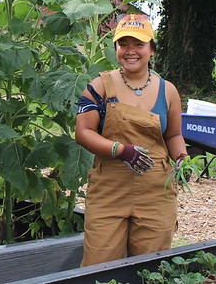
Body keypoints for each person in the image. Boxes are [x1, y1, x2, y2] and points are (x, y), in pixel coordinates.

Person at [75, 13, 188, 266]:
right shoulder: (100, 86)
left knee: (151, 266)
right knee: (99, 266)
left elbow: (174, 135)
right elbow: (83, 132)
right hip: (109, 190)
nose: (130, 51)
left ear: (152, 49)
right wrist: (120, 150)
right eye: (123, 44)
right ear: (115, 48)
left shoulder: (167, 90)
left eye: (138, 44)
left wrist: (182, 157)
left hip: (155, 191)